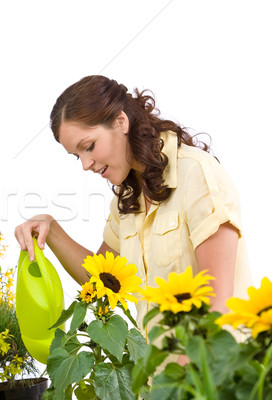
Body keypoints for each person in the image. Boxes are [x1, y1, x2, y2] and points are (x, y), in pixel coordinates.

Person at [14, 75, 252, 332]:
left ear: (120, 121)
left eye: (89, 146)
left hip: (212, 368)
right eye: (77, 156)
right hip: (159, 371)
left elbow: (218, 304)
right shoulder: (126, 201)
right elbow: (101, 281)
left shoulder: (197, 174)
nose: (85, 165)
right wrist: (51, 229)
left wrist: (182, 369)